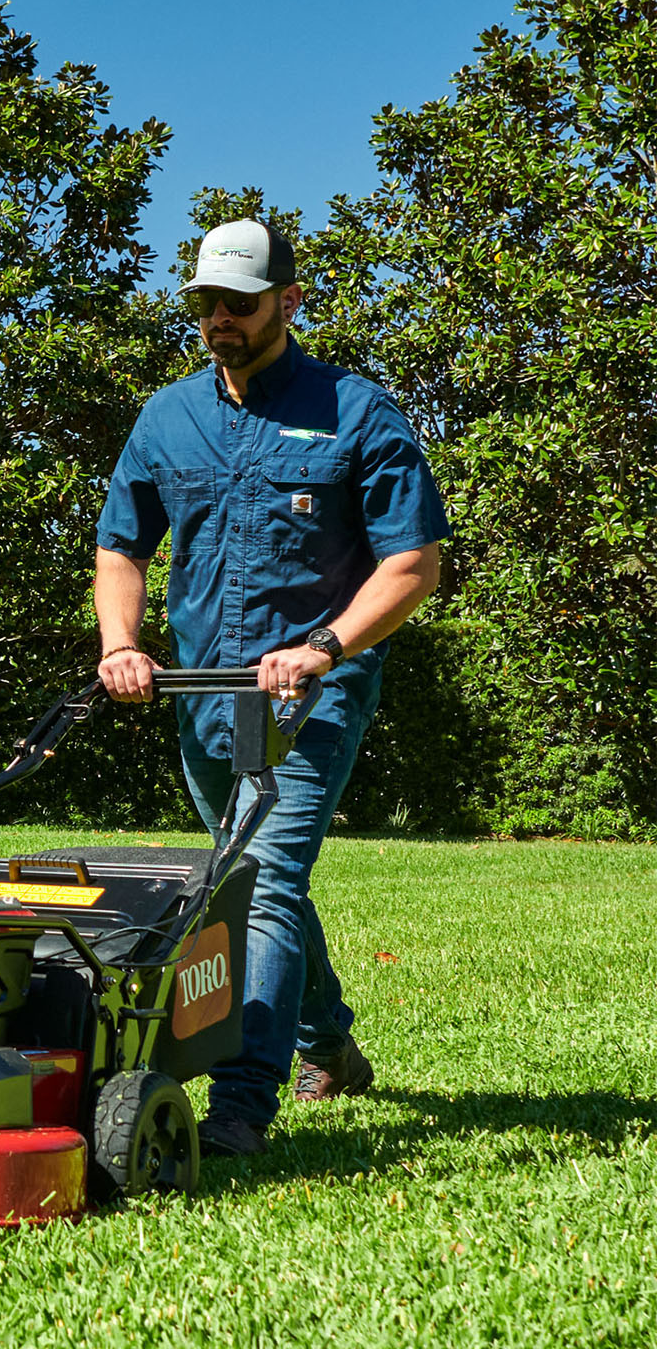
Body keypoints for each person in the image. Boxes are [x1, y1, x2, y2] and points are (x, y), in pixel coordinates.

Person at [92, 218, 449, 1156]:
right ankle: (329, 1042)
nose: (221, 320)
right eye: (206, 304)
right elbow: (121, 546)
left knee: (266, 875)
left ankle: (244, 1106)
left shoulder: (357, 410)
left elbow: (413, 564)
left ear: (287, 301)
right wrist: (121, 643)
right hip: (202, 688)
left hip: (311, 693)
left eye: (239, 305)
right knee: (245, 879)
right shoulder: (167, 416)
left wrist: (327, 645)